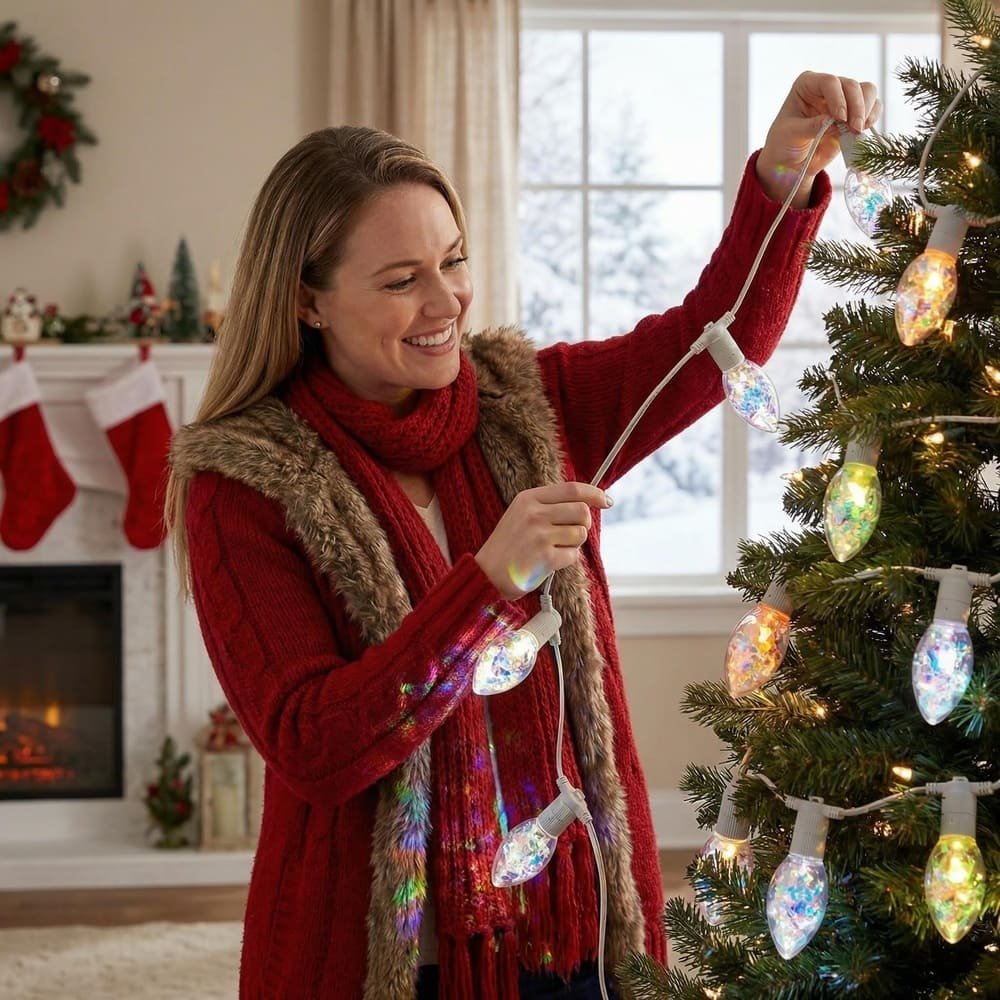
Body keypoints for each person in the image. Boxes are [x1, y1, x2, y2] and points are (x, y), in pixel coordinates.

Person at [167, 70, 880, 1000]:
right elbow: (313, 745)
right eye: (400, 279)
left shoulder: (521, 405)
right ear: (308, 301)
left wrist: (787, 173)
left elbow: (716, 341)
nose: (446, 301)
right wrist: (486, 582)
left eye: (453, 261)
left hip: (565, 929)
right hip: (384, 957)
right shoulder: (245, 480)